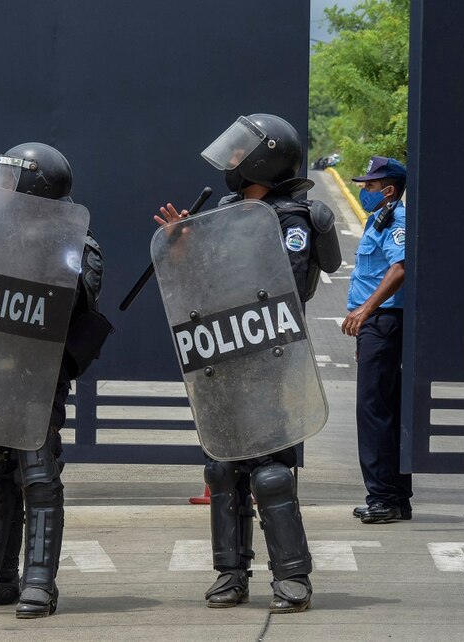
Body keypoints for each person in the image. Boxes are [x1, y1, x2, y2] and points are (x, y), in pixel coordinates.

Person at [156, 113, 340, 613]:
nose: (232, 163)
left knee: (272, 473)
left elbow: (282, 288)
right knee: (222, 467)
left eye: (241, 154)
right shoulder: (226, 211)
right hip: (223, 355)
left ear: (262, 160)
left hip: (272, 360)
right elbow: (198, 291)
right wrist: (184, 248)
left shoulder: (292, 220)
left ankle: (292, 578)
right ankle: (230, 574)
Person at [0, 143, 110, 619]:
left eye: (10, 180)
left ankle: (39, 584)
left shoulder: (77, 242)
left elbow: (75, 301)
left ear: (37, 186)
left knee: (38, 477)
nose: (1, 189)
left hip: (37, 376)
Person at [341, 156, 412, 524]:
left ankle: (383, 498)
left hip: (382, 322)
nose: (363, 191)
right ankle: (395, 498)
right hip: (376, 326)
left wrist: (365, 311)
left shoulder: (396, 221)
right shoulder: (379, 219)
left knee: (373, 413)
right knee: (386, 409)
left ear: (388, 190)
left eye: (368, 186)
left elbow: (399, 268)